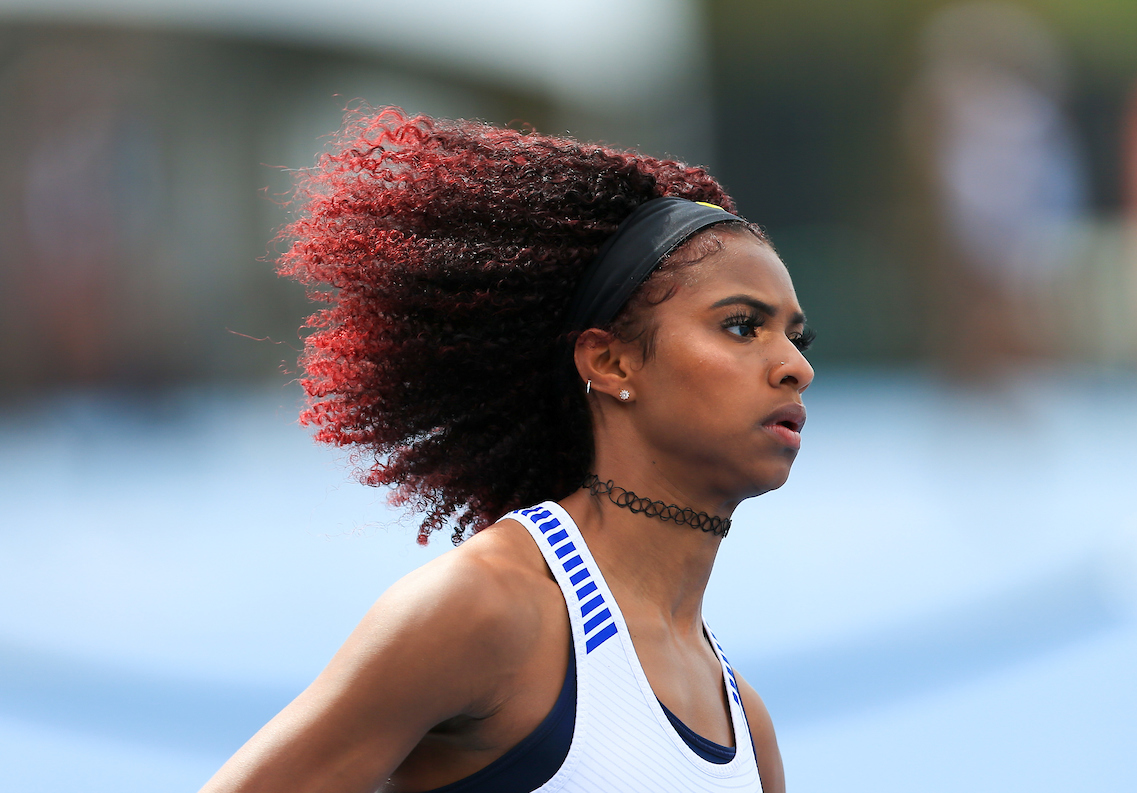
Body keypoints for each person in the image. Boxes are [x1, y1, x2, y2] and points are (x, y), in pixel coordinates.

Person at [200, 109, 812, 793]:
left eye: (796, 337)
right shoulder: (487, 610)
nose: (794, 366)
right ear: (610, 363)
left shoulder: (747, 725)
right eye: (741, 326)